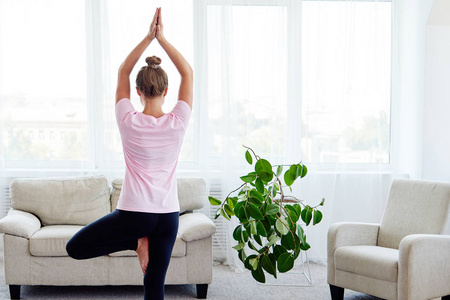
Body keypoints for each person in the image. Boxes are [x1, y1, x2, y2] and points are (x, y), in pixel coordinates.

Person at [66, 7, 193, 300]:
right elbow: (187, 71)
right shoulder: (178, 122)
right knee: (154, 286)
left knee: (76, 248)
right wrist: (162, 39)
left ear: (137, 90)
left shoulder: (128, 120)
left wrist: (148, 37)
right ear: (166, 90)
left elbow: (123, 69)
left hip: (135, 214)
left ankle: (136, 241)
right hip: (168, 216)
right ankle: (140, 241)